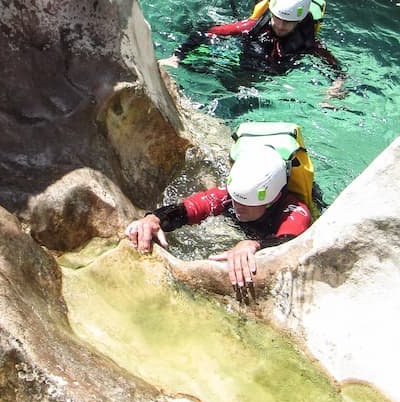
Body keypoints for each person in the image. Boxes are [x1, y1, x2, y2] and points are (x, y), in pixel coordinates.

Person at [125, 125, 314, 302]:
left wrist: (254, 245)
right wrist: (154, 219)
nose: (237, 206)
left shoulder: (295, 211)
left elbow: (289, 241)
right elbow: (188, 209)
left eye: (247, 203)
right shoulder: (228, 197)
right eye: (235, 198)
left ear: (272, 198)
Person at [163, 0, 346, 95]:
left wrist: (336, 85)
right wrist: (176, 57)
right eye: (277, 18)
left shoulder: (309, 43)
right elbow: (205, 31)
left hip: (274, 68)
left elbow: (335, 67)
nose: (281, 26)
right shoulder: (251, 27)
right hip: (253, 57)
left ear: (299, 20)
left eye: (288, 22)